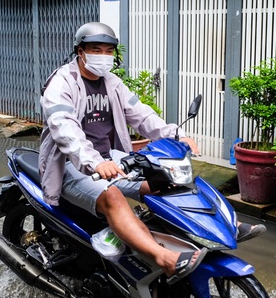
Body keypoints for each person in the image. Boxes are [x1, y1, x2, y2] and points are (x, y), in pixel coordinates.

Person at [39, 22, 264, 283]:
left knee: (167, 181)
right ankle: (163, 258)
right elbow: (63, 126)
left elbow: (142, 115)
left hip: (109, 161)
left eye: (108, 51)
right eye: (95, 49)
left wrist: (175, 135)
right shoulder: (61, 82)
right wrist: (94, 162)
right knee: (112, 197)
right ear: (80, 52)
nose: (103, 56)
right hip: (70, 165)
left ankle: (222, 227)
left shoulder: (112, 83)